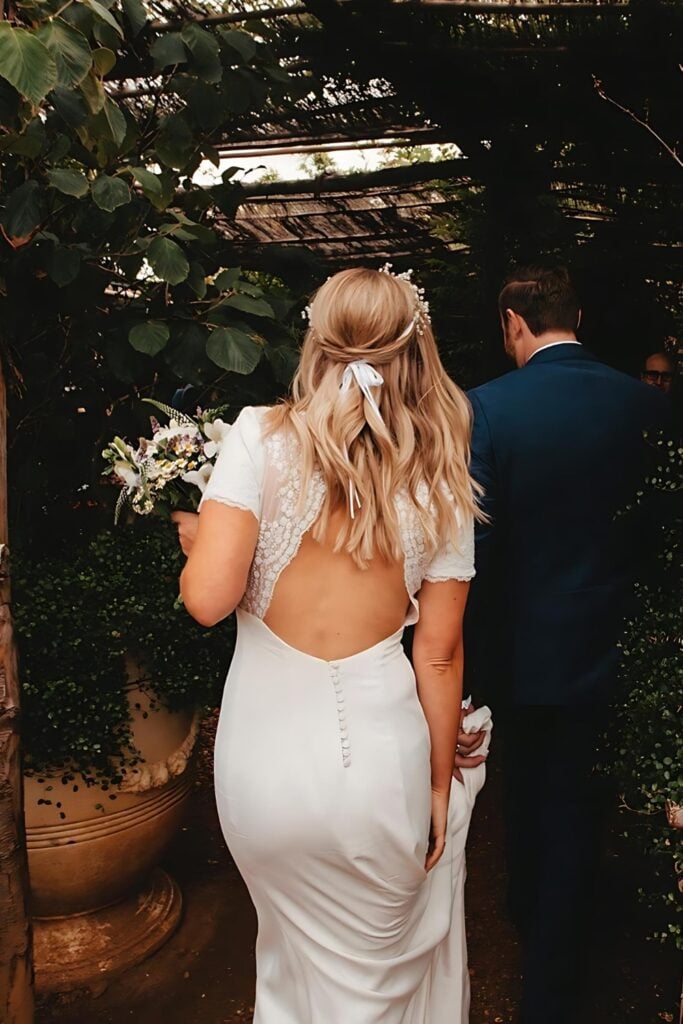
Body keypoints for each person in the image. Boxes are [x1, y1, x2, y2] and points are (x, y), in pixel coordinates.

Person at [171, 266, 490, 1024]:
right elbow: (437, 655)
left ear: (314, 340)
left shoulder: (258, 435)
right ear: (416, 350)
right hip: (381, 771)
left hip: (263, 774)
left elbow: (206, 601)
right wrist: (438, 788)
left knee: (291, 963)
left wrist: (199, 540)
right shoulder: (442, 478)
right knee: (370, 986)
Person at [465, 266, 670, 1024]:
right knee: (583, 799)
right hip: (619, 644)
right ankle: (566, 938)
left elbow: (473, 546)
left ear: (512, 323)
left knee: (529, 791)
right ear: (576, 318)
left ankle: (537, 942)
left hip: (523, 649)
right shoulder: (647, 405)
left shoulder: (485, 408)